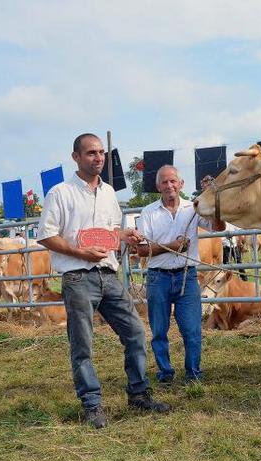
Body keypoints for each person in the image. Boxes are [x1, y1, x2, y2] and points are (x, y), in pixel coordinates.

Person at [37, 132, 169, 429]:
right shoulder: (60, 192)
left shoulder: (109, 192)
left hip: (108, 274)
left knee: (135, 332)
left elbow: (110, 232)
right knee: (82, 343)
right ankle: (92, 404)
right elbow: (45, 234)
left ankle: (138, 395)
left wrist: (126, 235)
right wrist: (79, 252)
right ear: (76, 157)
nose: (97, 158)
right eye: (90, 153)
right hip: (77, 276)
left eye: (100, 153)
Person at [137, 166, 225, 385]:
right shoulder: (148, 212)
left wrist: (214, 199)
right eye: (164, 182)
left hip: (187, 276)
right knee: (159, 330)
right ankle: (165, 373)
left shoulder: (193, 208)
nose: (169, 186)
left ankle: (193, 373)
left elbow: (218, 226)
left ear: (181, 184)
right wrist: (173, 247)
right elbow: (140, 250)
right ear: (158, 187)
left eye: (173, 181)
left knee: (192, 329)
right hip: (158, 277)